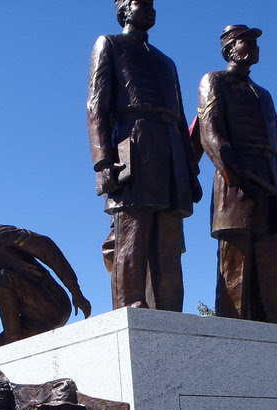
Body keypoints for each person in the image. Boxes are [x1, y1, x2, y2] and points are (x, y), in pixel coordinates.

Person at [87, 0, 201, 312]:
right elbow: (96, 106)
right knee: (132, 233)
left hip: (170, 151)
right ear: (123, 9)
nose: (150, 9)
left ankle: (169, 307)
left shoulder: (167, 62)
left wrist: (190, 170)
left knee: (169, 241)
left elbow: (180, 119)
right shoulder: (109, 44)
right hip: (133, 142)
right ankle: (130, 303)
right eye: (142, 3)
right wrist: (102, 162)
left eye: (153, 5)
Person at [197, 24, 277, 323]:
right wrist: (232, 170)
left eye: (255, 43)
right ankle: (233, 325)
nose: (254, 48)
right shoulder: (214, 80)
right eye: (246, 42)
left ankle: (270, 324)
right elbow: (210, 130)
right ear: (229, 49)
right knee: (236, 254)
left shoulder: (263, 94)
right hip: (236, 178)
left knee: (267, 255)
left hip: (269, 178)